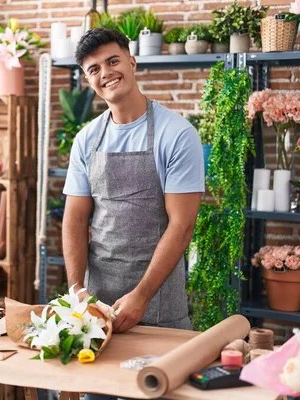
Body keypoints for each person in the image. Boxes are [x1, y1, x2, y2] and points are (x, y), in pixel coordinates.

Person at [62, 29, 204, 337]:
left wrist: (141, 296)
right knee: (96, 385)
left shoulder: (177, 134)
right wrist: (76, 289)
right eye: (94, 69)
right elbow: (74, 219)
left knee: (157, 383)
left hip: (159, 306)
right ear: (89, 80)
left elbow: (182, 226)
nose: (106, 73)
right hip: (96, 308)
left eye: (113, 61)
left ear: (132, 62)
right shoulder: (86, 139)